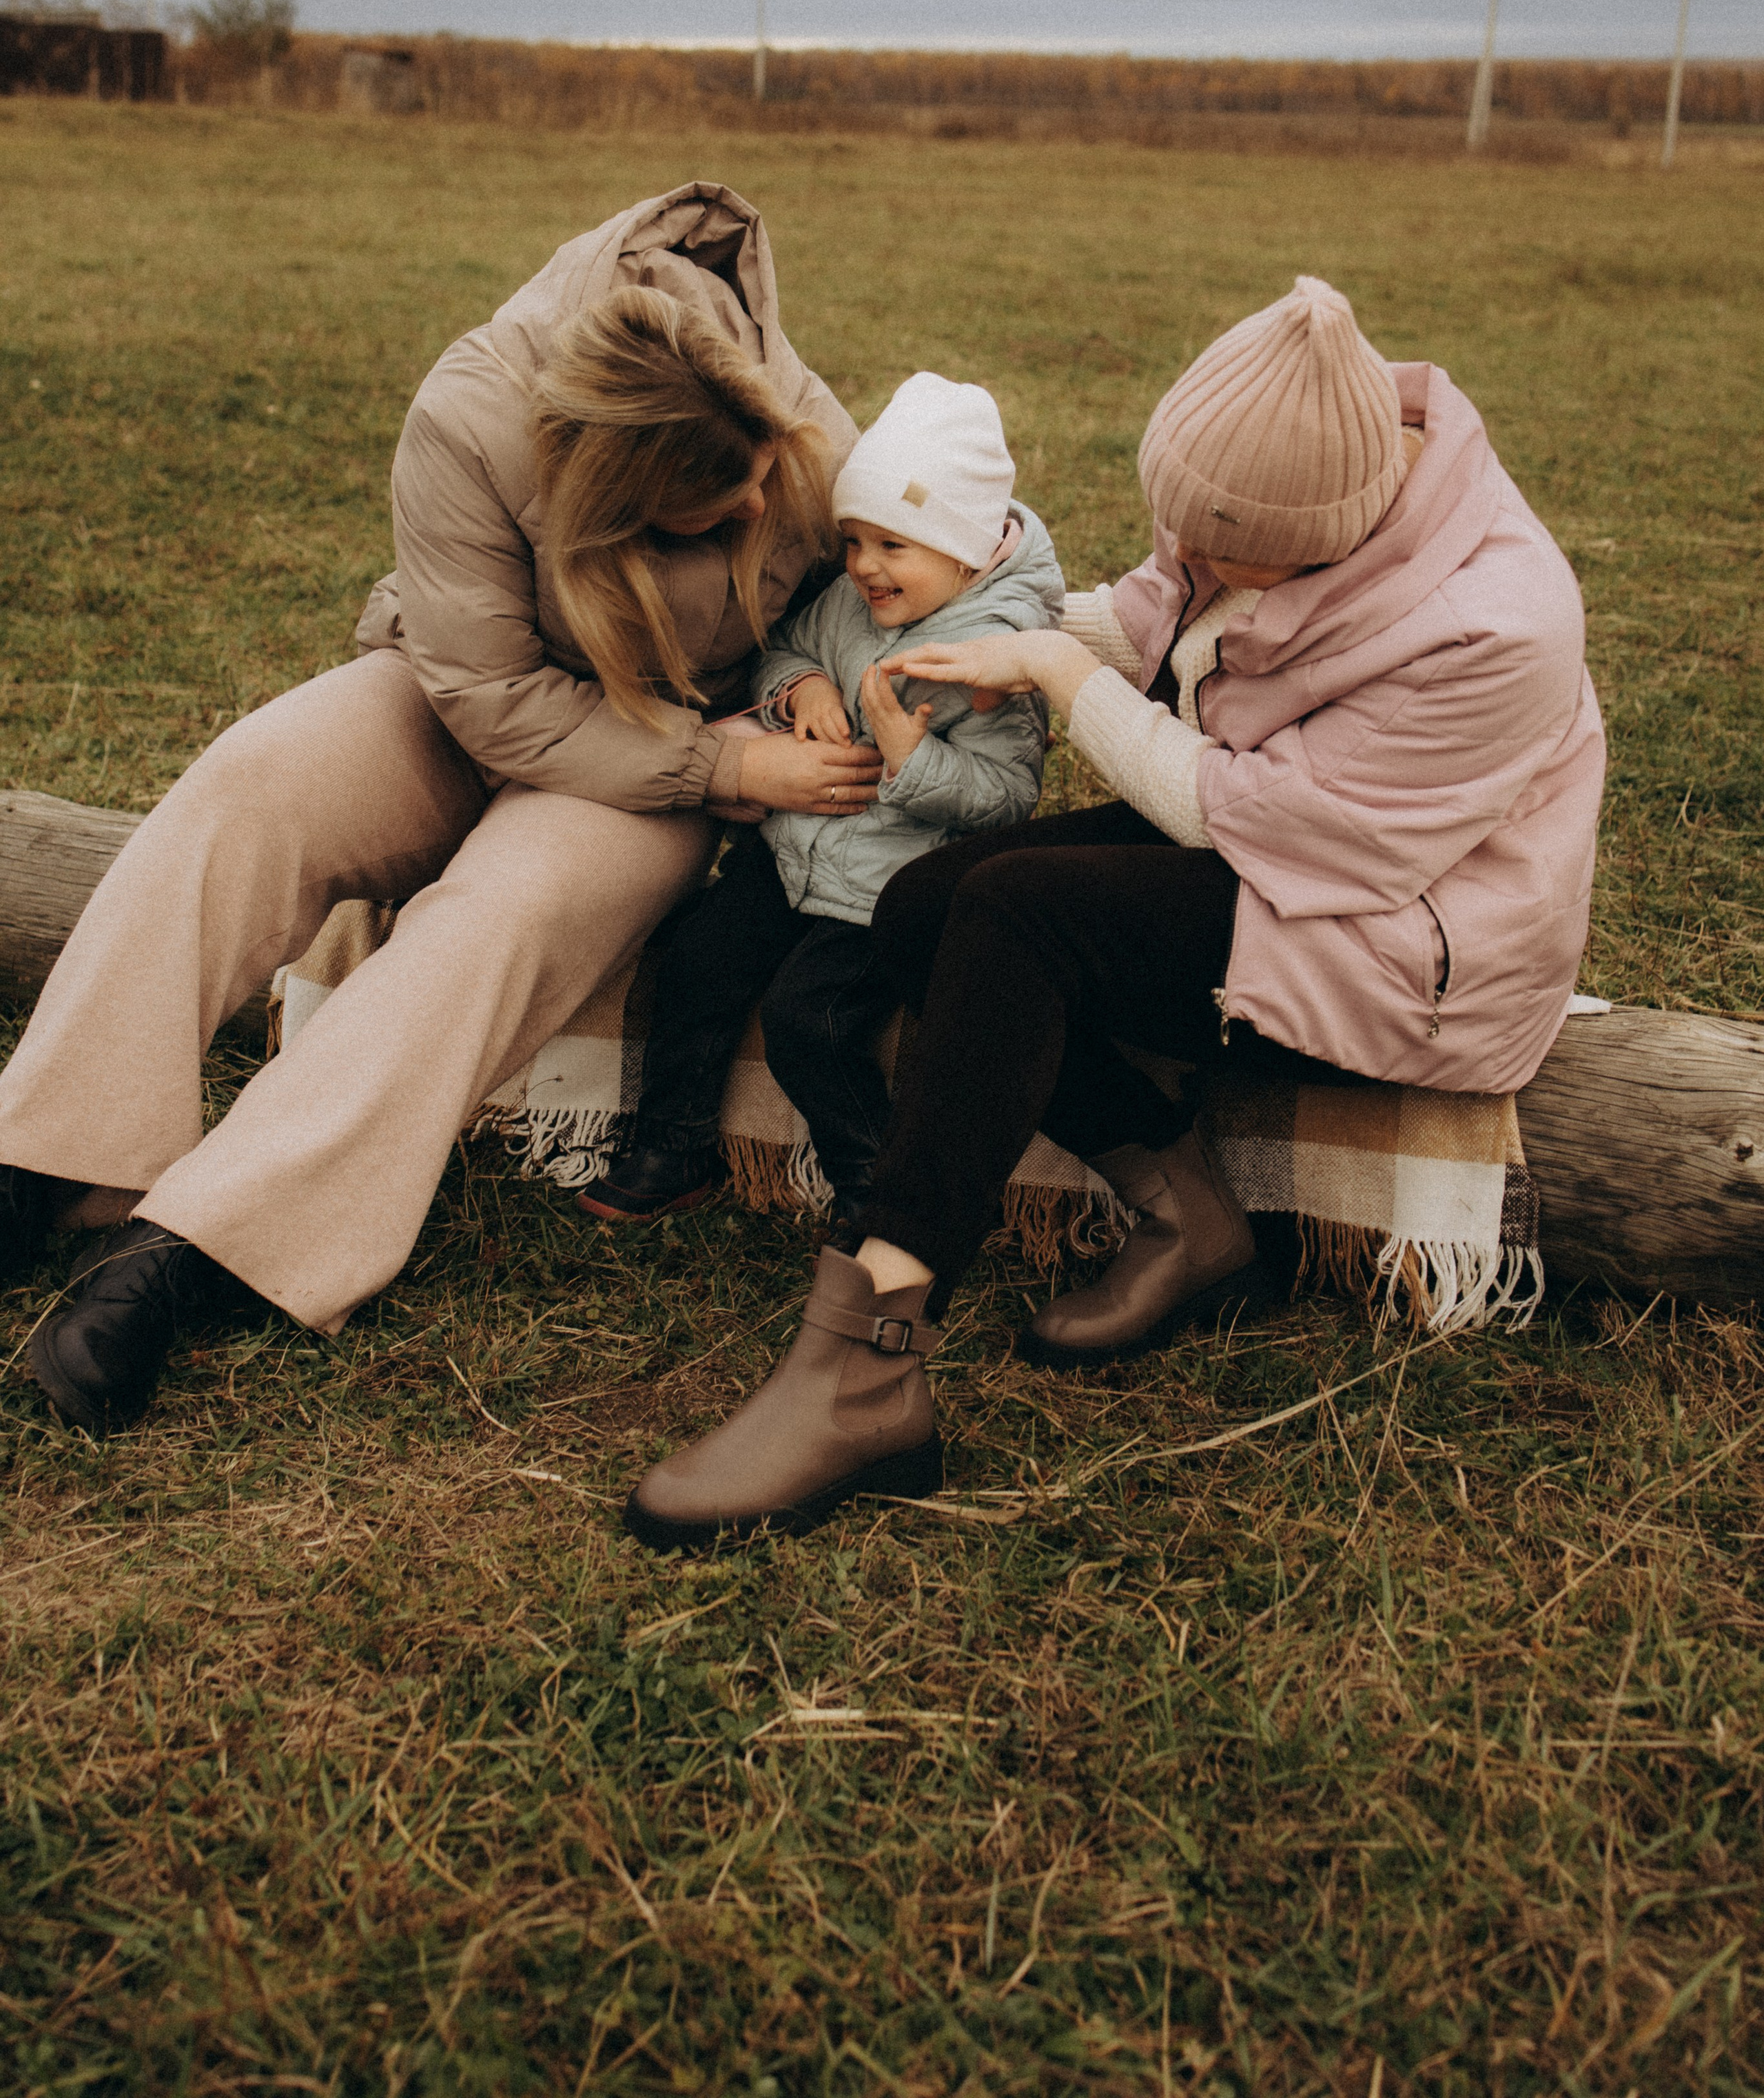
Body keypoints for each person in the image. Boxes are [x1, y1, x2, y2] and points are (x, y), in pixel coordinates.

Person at [624, 275, 1607, 1550]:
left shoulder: (1497, 627)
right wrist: (962, 629)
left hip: (1393, 927)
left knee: (1017, 917)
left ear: (1334, 530)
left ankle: (867, 1364)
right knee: (927, 906)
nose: (1185, 559)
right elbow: (1152, 615)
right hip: (1272, 844)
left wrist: (1047, 667)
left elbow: (1235, 815)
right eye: (1178, 529)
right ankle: (1189, 1216)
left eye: (1215, 546)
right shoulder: (1269, 474)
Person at [0, 182, 879, 1434]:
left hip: (675, 736)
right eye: (714, 512)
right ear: (599, 491)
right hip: (485, 694)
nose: (753, 512)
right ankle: (51, 1156)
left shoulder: (795, 433)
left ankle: (192, 1252)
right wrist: (732, 774)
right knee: (245, 785)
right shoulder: (474, 412)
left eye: (755, 490)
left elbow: (920, 583)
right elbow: (488, 692)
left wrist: (747, 745)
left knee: (498, 914)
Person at [580, 373, 1065, 1242]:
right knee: (699, 959)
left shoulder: (1000, 657)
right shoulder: (850, 603)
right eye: (852, 541)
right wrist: (800, 689)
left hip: (892, 879)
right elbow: (787, 651)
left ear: (960, 549)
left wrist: (915, 760)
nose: (864, 567)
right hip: (796, 844)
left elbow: (1005, 801)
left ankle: (877, 1189)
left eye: (893, 544)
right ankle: (673, 1144)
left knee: (814, 1017)